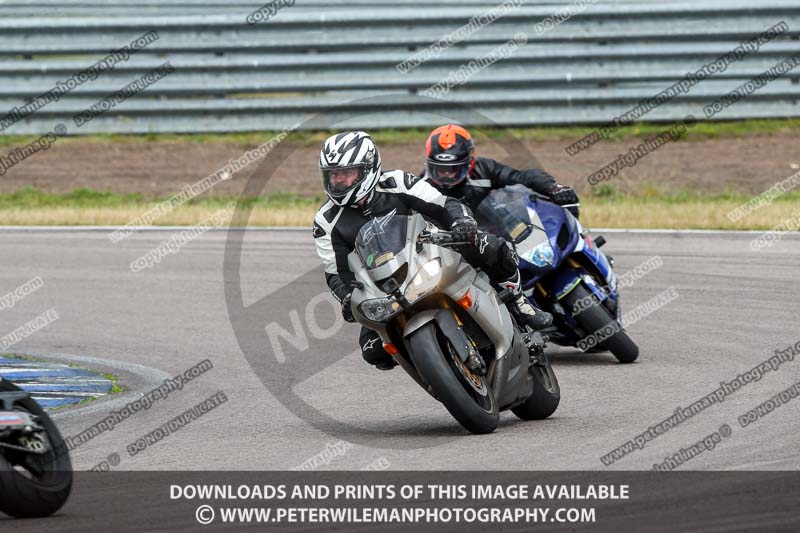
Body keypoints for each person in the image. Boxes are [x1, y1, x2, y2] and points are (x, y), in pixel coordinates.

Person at [312, 131, 553, 370]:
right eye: (332, 175)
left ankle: (520, 303)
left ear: (368, 168)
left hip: (429, 252)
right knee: (373, 352)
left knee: (490, 245)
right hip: (384, 286)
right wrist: (346, 296)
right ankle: (435, 367)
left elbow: (443, 204)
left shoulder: (396, 182)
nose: (339, 181)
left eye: (346, 173)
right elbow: (335, 271)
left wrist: (462, 223)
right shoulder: (325, 220)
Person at [420, 124, 580, 218]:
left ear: (469, 162)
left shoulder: (483, 169)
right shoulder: (420, 188)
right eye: (441, 169)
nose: (447, 175)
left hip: (494, 240)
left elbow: (524, 177)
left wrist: (552, 188)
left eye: (453, 169)